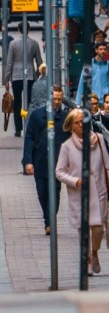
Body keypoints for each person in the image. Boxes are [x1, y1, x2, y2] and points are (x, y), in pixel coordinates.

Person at [55, 109, 109, 275]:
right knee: (83, 231)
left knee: (99, 229)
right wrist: (74, 181)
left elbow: (107, 165)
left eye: (83, 122)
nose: (81, 125)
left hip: (99, 192)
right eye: (77, 123)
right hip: (79, 195)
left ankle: (94, 253)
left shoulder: (98, 140)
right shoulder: (67, 147)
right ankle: (87, 262)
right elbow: (59, 172)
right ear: (71, 126)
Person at [24, 87, 71, 234]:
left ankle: (50, 222)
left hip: (58, 163)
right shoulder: (37, 115)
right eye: (54, 99)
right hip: (40, 161)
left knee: (55, 192)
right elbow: (29, 138)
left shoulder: (65, 118)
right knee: (42, 192)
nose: (57, 102)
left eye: (59, 99)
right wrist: (28, 161)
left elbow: (70, 140)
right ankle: (47, 218)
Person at [2, 26, 44, 137]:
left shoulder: (13, 44)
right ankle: (30, 125)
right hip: (30, 76)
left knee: (17, 102)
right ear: (29, 30)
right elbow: (39, 62)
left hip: (16, 76)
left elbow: (9, 63)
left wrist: (6, 79)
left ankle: (18, 129)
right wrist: (37, 75)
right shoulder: (34, 43)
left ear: (18, 30)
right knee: (30, 102)